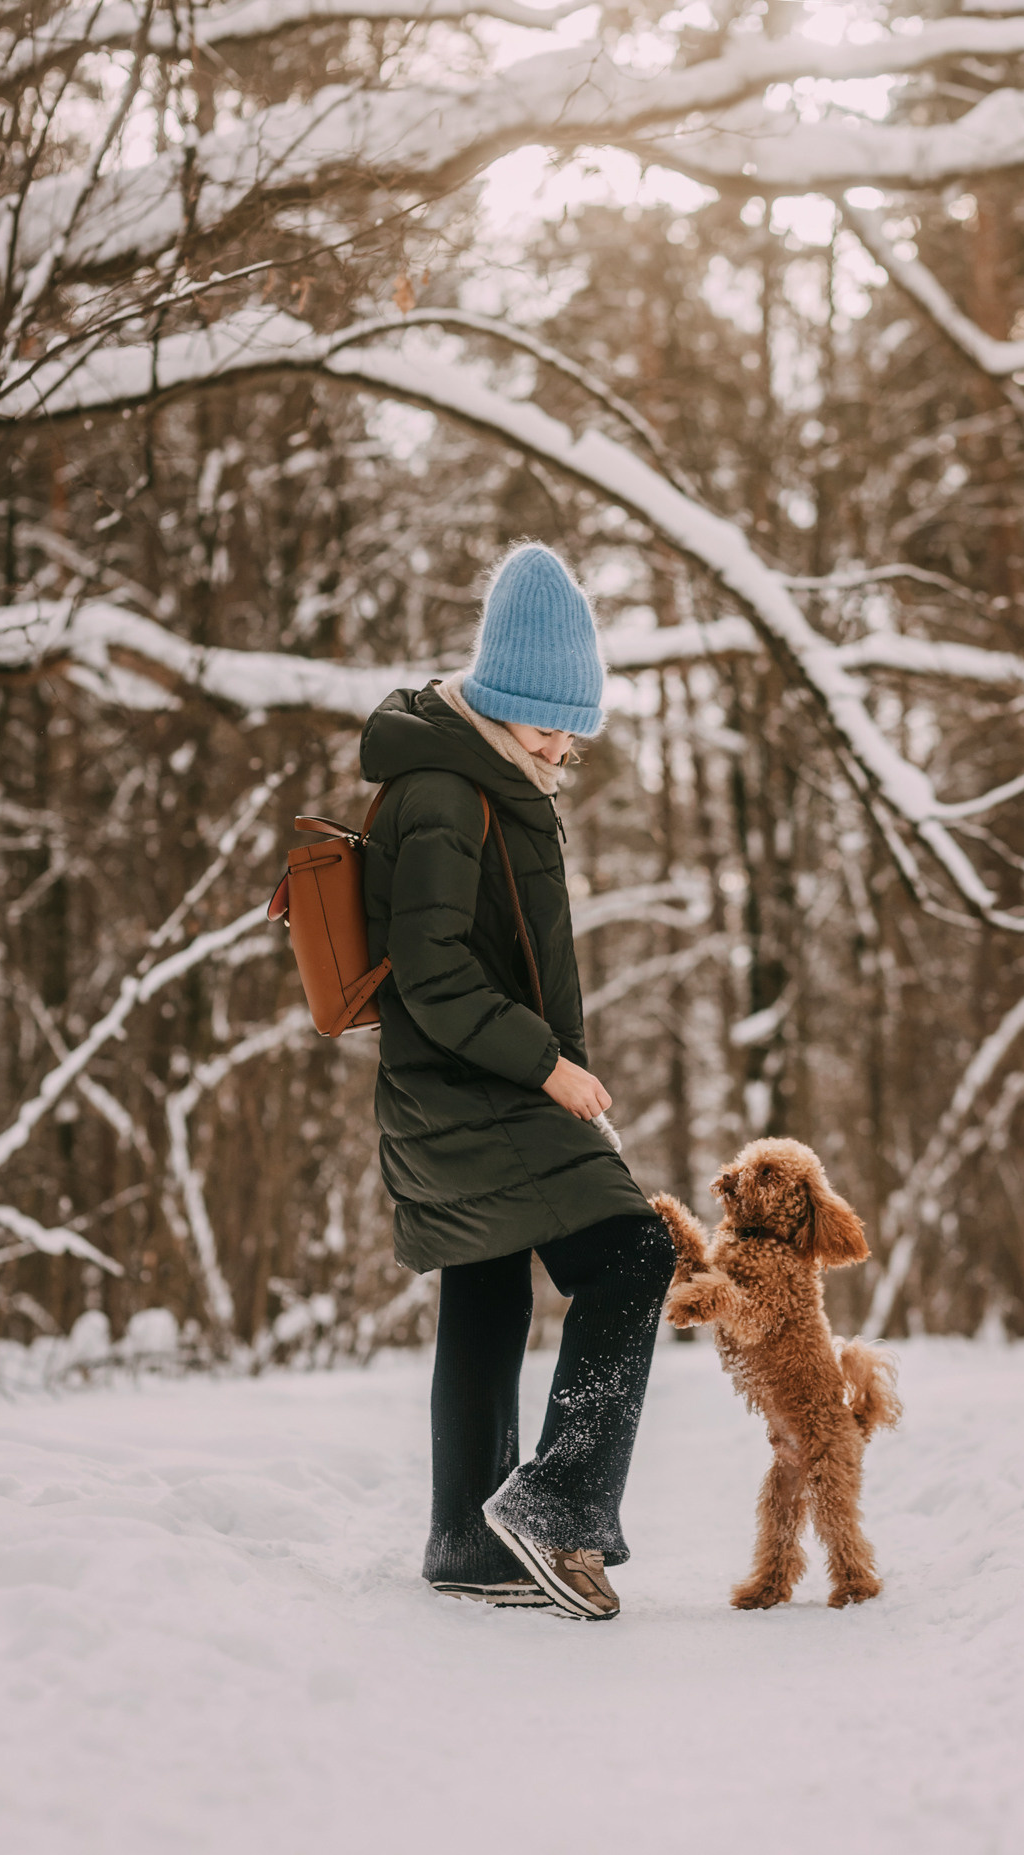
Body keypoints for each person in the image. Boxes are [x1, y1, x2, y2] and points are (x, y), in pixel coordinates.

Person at [360, 543, 675, 1619]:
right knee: (634, 1250)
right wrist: (551, 1069)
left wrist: (556, 1066)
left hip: (462, 1087)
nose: (559, 743)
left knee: (486, 1286)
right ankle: (557, 1503)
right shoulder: (448, 789)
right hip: (470, 1087)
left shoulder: (491, 776)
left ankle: (466, 1539)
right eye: (544, 719)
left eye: (571, 726)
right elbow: (435, 973)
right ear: (497, 694)